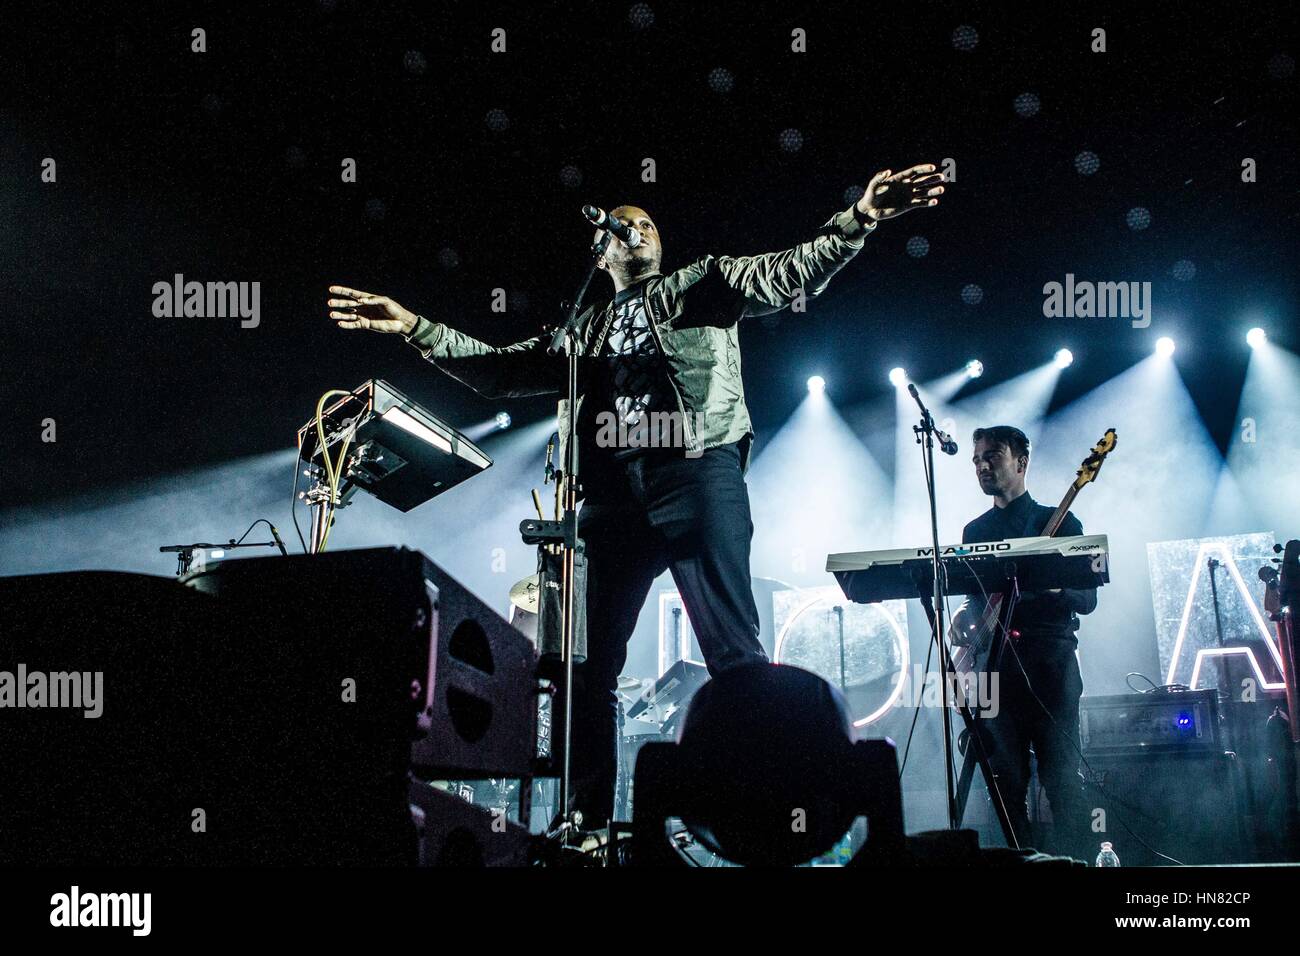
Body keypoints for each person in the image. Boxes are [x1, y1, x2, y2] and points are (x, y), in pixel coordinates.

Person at [326, 164, 946, 828]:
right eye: (628, 225)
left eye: (649, 223)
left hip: (696, 472)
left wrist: (861, 217)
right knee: (581, 670)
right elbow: (501, 370)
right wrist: (416, 326)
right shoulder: (580, 330)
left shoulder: (700, 283)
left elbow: (787, 271)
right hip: (613, 495)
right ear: (604, 248)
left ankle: (772, 810)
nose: (640, 230)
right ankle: (586, 827)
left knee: (734, 650)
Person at [951, 425, 1098, 858]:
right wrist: (965, 616)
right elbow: (977, 602)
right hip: (996, 668)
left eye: (991, 456)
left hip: (1050, 664)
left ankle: (1077, 862)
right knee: (1004, 781)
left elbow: (1087, 598)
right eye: (977, 459)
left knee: (1061, 777)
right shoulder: (974, 531)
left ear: (1021, 461)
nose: (981, 465)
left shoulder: (1062, 521)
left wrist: (1051, 587)